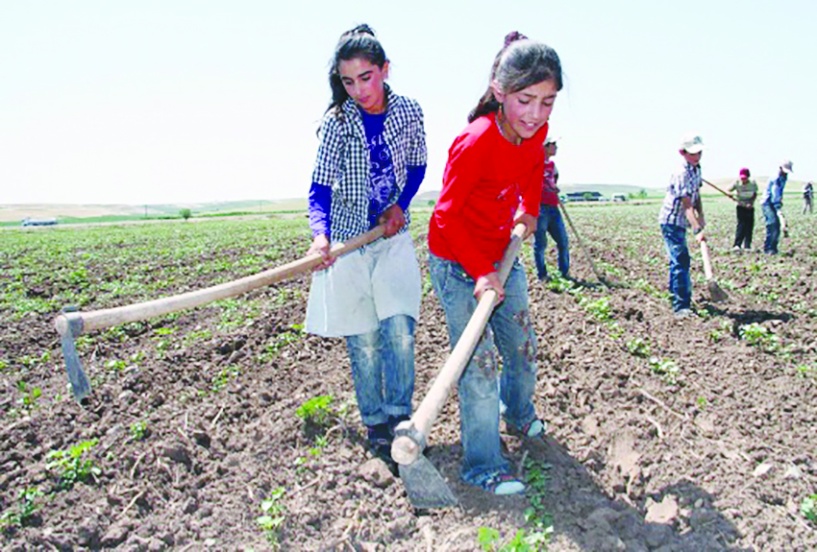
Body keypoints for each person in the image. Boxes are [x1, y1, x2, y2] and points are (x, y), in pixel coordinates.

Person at [427, 32, 562, 495]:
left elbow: (532, 166)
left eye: (547, 102)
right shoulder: (475, 141)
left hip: (501, 253)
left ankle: (518, 415)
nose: (536, 114)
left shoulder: (535, 132)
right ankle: (481, 464)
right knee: (479, 363)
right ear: (500, 92)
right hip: (457, 260)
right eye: (526, 100)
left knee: (521, 346)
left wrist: (528, 208)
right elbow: (445, 217)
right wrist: (480, 272)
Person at [304, 24, 427, 465]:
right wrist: (321, 236)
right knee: (365, 339)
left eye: (366, 77)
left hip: (390, 236)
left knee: (399, 330)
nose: (359, 90)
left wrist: (399, 205)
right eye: (348, 81)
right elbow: (319, 188)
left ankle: (399, 418)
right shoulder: (337, 123)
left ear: (385, 70)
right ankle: (375, 424)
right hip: (349, 241)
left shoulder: (409, 112)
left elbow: (417, 166)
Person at [657, 133, 707, 319]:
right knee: (681, 260)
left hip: (681, 220)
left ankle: (674, 295)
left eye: (699, 152)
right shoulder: (681, 174)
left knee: (677, 260)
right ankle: (681, 307)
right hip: (671, 221)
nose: (697, 156)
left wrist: (701, 216)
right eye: (692, 153)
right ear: (682, 153)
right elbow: (686, 205)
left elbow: (696, 196)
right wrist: (697, 229)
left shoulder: (696, 169)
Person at [532, 136, 570, 281]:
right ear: (545, 147)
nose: (556, 147)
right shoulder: (534, 164)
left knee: (563, 241)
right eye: (553, 144)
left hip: (553, 207)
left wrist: (554, 188)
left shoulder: (552, 166)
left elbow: (554, 179)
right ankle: (542, 275)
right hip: (540, 208)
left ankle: (564, 273)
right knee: (541, 244)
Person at [761, 160, 793, 254]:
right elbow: (775, 193)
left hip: (775, 202)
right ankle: (768, 248)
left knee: (777, 225)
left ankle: (773, 248)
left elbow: (780, 192)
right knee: (772, 224)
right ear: (780, 168)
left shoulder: (784, 177)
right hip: (768, 203)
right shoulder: (776, 178)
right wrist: (777, 206)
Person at [728, 167, 758, 251]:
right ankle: (737, 245)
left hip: (750, 207)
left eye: (745, 178)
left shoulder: (753, 183)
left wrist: (751, 203)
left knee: (749, 226)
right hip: (740, 206)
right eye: (742, 178)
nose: (743, 180)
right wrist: (730, 195)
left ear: (748, 177)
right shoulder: (737, 182)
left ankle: (747, 245)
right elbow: (728, 190)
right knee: (741, 225)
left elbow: (755, 194)